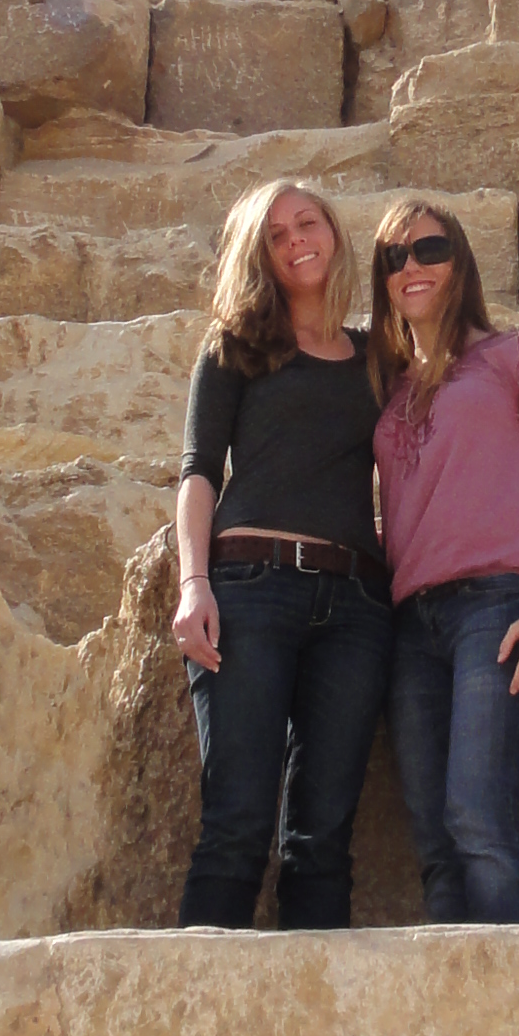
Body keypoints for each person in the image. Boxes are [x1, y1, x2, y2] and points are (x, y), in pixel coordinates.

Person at [171, 179, 390, 930]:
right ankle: (199, 1003)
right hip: (250, 590)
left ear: (334, 230)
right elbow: (199, 472)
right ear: (258, 255)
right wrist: (192, 583)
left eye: (308, 222)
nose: (297, 240)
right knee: (235, 826)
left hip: (357, 610)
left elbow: (459, 368)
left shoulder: (378, 356)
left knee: (322, 841)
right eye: (276, 234)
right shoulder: (233, 346)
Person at [369, 201, 519, 924]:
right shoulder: (388, 382)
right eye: (393, 257)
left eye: (429, 249)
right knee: (436, 843)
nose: (411, 267)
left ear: (460, 260)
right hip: (410, 625)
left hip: (497, 606)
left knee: (480, 819)